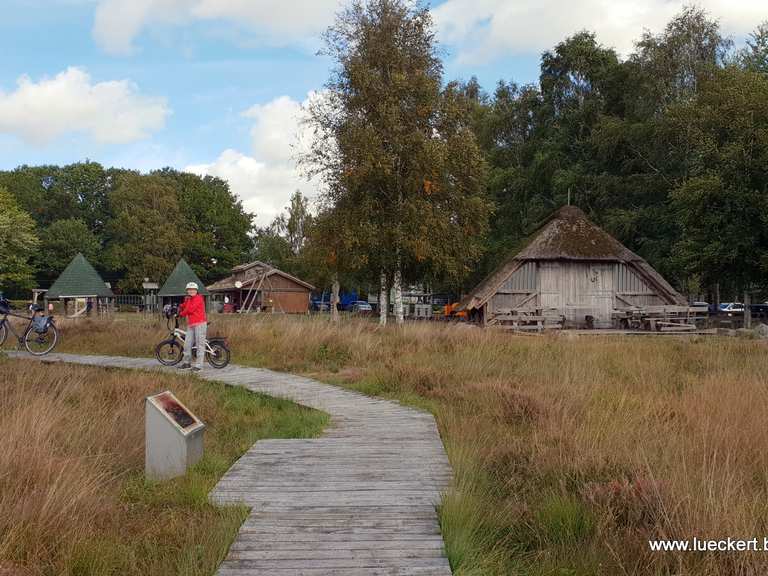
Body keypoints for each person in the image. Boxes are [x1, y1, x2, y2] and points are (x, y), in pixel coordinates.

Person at [178, 282, 206, 371]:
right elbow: (184, 305)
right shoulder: (189, 298)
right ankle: (187, 363)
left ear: (196, 290)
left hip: (200, 324)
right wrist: (176, 307)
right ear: (187, 291)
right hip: (191, 324)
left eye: (193, 289)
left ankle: (199, 366)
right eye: (189, 290)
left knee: (199, 345)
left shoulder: (198, 298)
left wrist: (181, 314)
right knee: (187, 344)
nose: (191, 291)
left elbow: (190, 310)